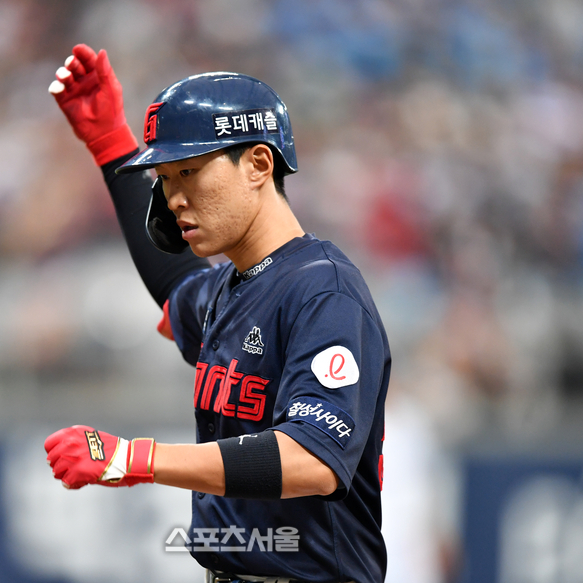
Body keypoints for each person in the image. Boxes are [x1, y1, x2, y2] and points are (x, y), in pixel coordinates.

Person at [44, 44, 391, 583]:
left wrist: (135, 458)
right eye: (166, 178)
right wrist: (109, 140)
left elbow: (313, 460)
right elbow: (176, 288)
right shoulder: (235, 284)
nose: (174, 198)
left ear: (258, 164)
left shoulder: (324, 291)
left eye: (189, 171)